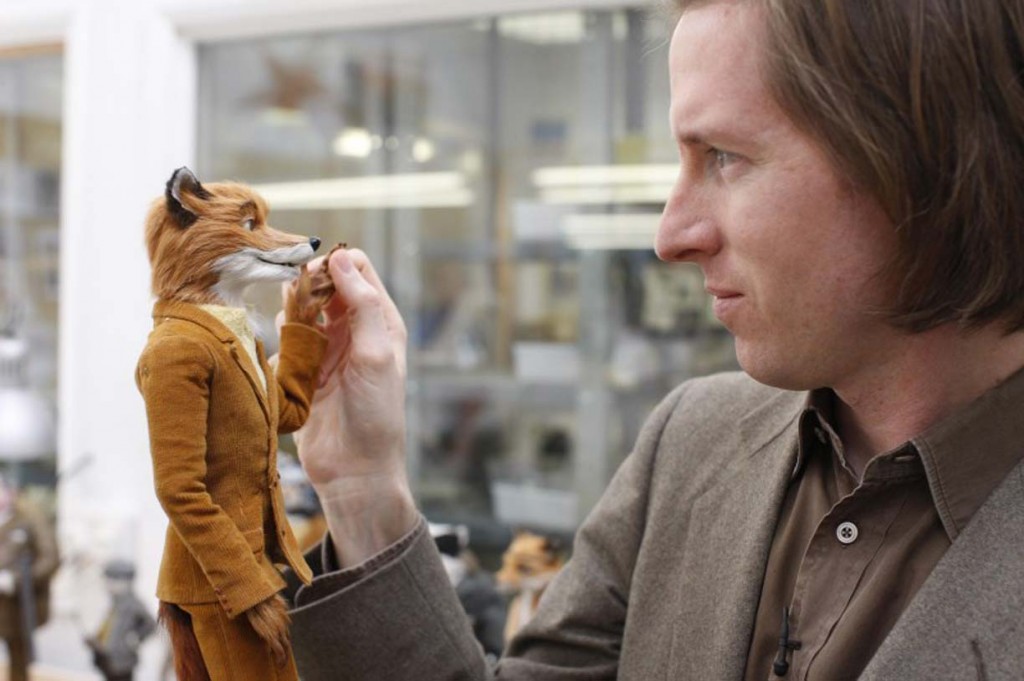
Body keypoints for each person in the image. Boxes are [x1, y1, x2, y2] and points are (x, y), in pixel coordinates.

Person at [285, 0, 1024, 679]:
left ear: (922, 158)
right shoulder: (694, 444)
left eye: (724, 156)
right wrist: (363, 489)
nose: (671, 235)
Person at [0, 476, 58, 681]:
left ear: (9, 492)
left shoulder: (30, 517)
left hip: (17, 608)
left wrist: (14, 580)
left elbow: (50, 558)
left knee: (19, 659)